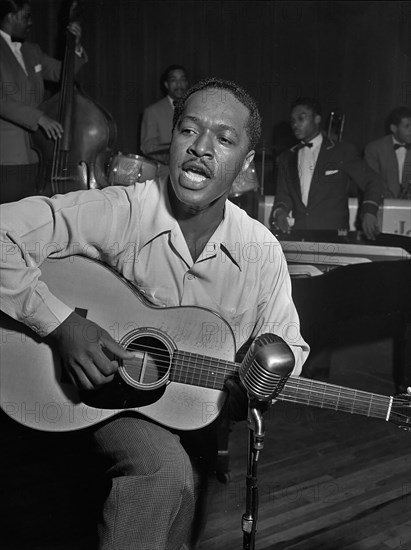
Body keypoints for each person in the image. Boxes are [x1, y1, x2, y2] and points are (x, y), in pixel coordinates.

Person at [0, 77, 309, 549]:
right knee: (163, 473)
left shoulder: (260, 250)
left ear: (246, 165)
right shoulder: (122, 210)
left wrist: (267, 370)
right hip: (104, 404)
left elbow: (288, 343)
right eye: (189, 131)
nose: (202, 148)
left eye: (224, 139)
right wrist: (60, 323)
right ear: (172, 141)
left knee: (181, 525)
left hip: (198, 419)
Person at [0, 0, 87, 203]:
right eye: (26, 16)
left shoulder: (33, 50)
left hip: (37, 152)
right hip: (7, 154)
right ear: (11, 16)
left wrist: (75, 44)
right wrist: (39, 118)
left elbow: (63, 73)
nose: (31, 22)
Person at [270, 97, 382, 239]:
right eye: (292, 121)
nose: (295, 124)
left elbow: (373, 180)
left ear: (317, 119)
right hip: (299, 235)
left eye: (301, 118)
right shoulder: (287, 157)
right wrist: (279, 211)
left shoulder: (342, 151)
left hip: (334, 236)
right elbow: (283, 195)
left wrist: (369, 211)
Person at [140, 64, 188, 176]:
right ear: (166, 84)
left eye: (182, 79)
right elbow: (148, 147)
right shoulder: (152, 111)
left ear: (187, 83)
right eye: (174, 80)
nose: (179, 84)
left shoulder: (196, 109)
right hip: (165, 173)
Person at [364, 106, 411, 199]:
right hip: (383, 204)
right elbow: (373, 182)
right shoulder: (374, 149)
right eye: (407, 126)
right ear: (394, 128)